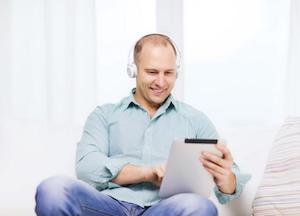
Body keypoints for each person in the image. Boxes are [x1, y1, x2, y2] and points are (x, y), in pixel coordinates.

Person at [35, 33, 250, 216]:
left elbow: (232, 183)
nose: (161, 82)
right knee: (53, 189)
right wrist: (147, 173)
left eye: (169, 73)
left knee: (200, 207)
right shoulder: (105, 115)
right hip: (108, 207)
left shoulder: (195, 120)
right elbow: (87, 167)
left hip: (164, 209)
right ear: (134, 69)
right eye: (152, 72)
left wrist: (226, 178)